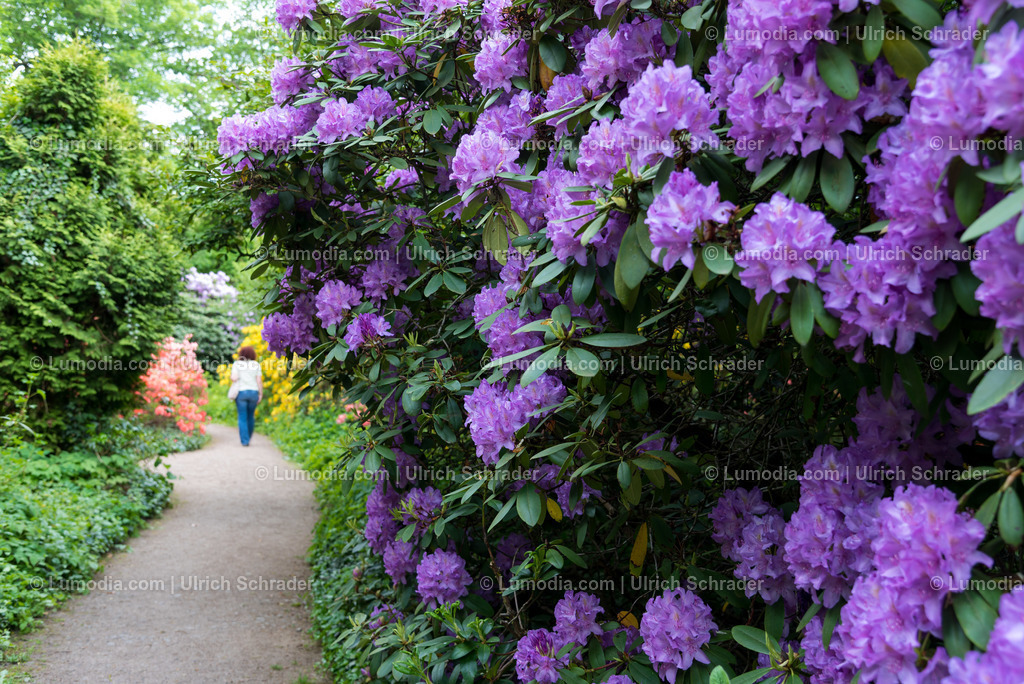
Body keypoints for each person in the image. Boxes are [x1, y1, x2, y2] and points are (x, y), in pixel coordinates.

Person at [230, 346, 263, 446]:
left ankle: (245, 440)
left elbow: (234, 378)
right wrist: (260, 394)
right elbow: (259, 381)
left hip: (241, 393)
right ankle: (248, 436)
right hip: (253, 393)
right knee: (250, 416)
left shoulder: (237, 364)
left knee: (242, 417)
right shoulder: (256, 364)